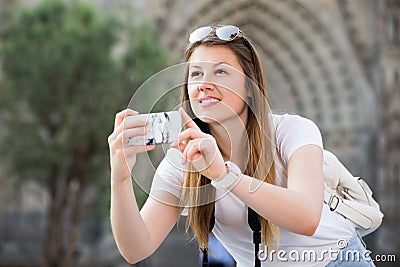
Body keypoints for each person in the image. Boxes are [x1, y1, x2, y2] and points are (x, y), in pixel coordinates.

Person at [108, 25, 375, 266]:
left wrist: (223, 176)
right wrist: (120, 176)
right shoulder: (183, 160)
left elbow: (306, 218)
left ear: (250, 86)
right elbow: (136, 248)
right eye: (196, 74)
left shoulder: (291, 131)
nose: (204, 85)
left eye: (221, 72)